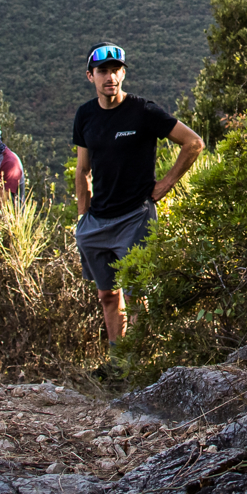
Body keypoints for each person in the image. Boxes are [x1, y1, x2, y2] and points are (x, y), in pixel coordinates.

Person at [72, 43, 203, 355]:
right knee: (106, 295)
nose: (110, 76)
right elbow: (82, 169)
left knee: (135, 294)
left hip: (135, 218)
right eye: (103, 71)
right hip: (97, 222)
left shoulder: (142, 110)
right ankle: (118, 360)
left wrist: (166, 184)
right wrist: (82, 217)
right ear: (90, 76)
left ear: (124, 73)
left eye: (116, 70)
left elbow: (193, 143)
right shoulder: (85, 115)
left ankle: (138, 362)